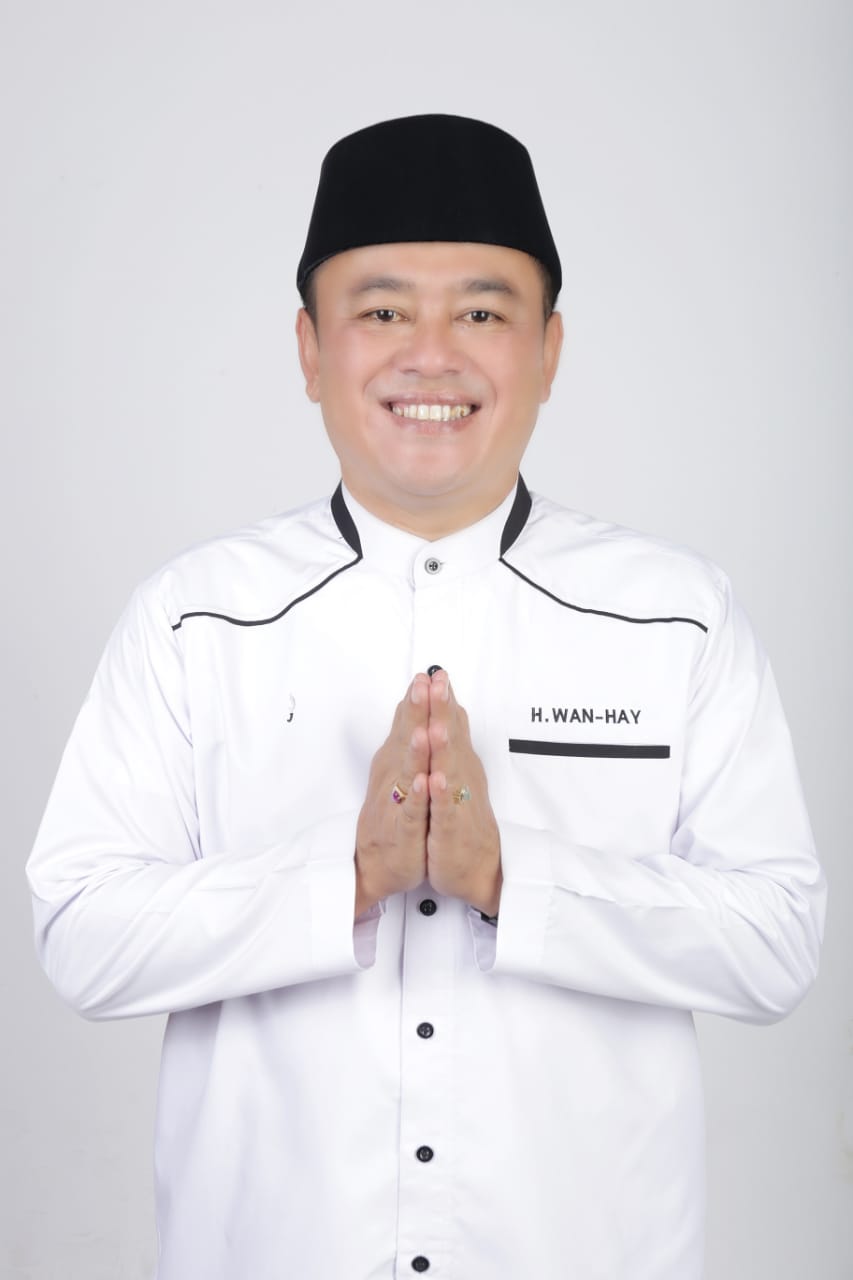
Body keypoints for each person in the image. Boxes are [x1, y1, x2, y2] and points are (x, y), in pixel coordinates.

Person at [27, 114, 826, 1279]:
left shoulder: (675, 616)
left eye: (483, 313)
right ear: (310, 348)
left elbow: (776, 939)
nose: (432, 355)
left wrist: (513, 878)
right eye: (384, 312)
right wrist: (344, 877)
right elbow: (80, 933)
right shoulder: (194, 619)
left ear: (549, 349)